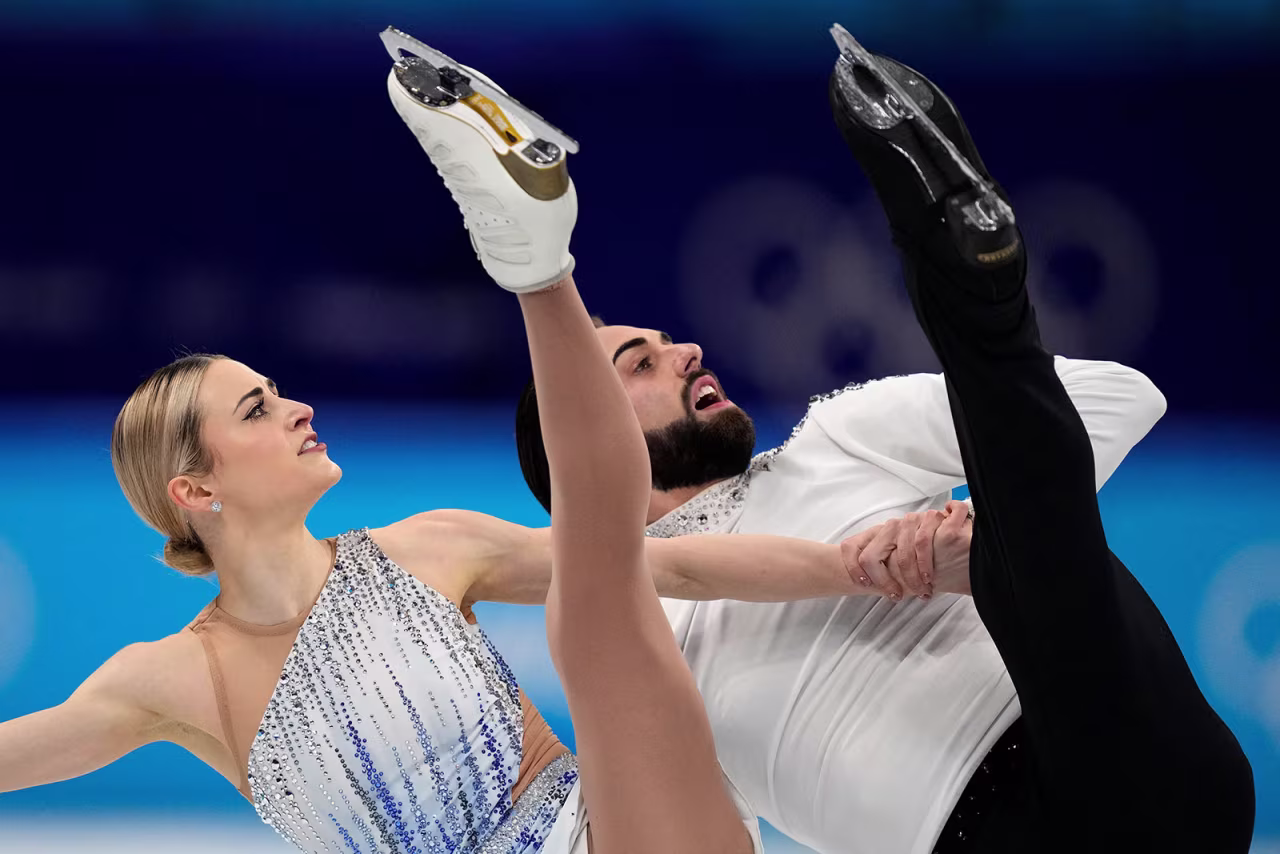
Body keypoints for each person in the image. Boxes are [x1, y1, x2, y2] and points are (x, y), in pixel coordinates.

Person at [0, 29, 949, 854]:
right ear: (194, 491)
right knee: (600, 561)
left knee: (602, 565)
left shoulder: (428, 548)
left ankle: (536, 255)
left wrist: (870, 567)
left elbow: (683, 569)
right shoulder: (164, 681)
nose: (294, 411)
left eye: (279, 391)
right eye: (255, 411)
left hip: (623, 830)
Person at [510, 29, 1255, 854]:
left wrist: (963, 532)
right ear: (583, 440)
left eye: (665, 340)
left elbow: (1121, 398)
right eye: (640, 362)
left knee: (1019, 518)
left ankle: (969, 270)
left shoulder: (836, 437)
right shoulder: (631, 635)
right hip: (989, 837)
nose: (684, 350)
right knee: (1019, 522)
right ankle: (976, 304)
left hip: (1126, 733)